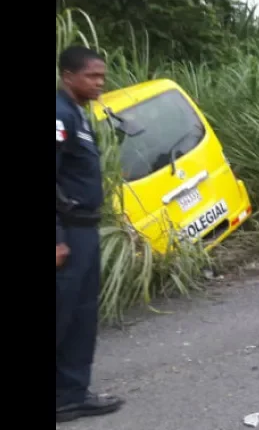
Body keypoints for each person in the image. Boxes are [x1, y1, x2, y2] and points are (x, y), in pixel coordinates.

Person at [56, 46, 125, 422]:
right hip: (67, 232)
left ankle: (69, 395)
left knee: (80, 316)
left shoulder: (78, 114)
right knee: (62, 312)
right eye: (92, 76)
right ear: (68, 76)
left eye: (102, 76)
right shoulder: (59, 115)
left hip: (84, 230)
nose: (101, 82)